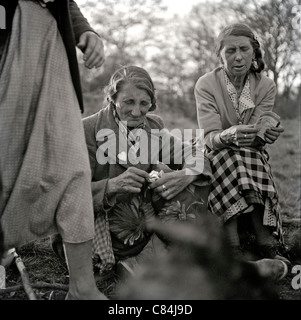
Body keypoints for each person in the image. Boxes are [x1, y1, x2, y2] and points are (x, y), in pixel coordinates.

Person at [0, 0, 107, 300]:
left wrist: (85, 30)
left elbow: (65, 2)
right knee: (5, 163)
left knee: (75, 166)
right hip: (9, 41)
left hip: (52, 44)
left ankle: (82, 287)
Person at [81, 65, 213, 276]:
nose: (136, 111)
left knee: (191, 182)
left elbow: (194, 154)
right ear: (112, 99)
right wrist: (112, 185)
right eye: (128, 102)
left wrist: (185, 174)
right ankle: (145, 258)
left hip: (145, 219)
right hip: (104, 225)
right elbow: (68, 193)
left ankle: (153, 256)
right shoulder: (87, 130)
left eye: (144, 103)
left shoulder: (153, 126)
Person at [194, 23, 289, 265]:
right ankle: (234, 243)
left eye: (244, 49)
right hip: (216, 153)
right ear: (220, 55)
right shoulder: (206, 84)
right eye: (230, 51)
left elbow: (257, 131)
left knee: (243, 155)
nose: (238, 57)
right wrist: (228, 136)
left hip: (251, 154)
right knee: (230, 155)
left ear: (254, 52)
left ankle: (264, 238)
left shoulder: (266, 85)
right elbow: (209, 138)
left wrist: (266, 133)